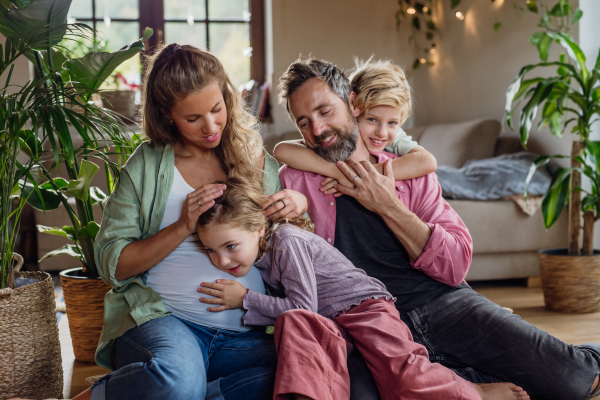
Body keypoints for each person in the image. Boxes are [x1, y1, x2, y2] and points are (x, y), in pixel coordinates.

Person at [275, 57, 600, 400]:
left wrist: (387, 204)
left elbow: (456, 263)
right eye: (304, 122)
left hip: (441, 303)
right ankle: (464, 378)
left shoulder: (410, 170)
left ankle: (463, 372)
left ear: (353, 103)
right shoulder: (296, 177)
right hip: (369, 326)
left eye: (325, 111)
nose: (317, 130)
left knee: (576, 380)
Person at [70, 44, 308, 400]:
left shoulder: (253, 157)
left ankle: (187, 392)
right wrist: (182, 225)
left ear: (228, 96)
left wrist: (295, 205)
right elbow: (112, 264)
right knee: (177, 379)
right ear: (167, 115)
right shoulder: (147, 166)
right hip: (163, 323)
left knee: (317, 367)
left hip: (247, 335)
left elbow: (293, 239)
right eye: (193, 118)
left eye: (216, 109)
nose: (210, 127)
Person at [194, 178, 530, 400]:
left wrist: (245, 300)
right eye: (210, 251)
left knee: (403, 379)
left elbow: (303, 306)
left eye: (230, 246)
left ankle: (474, 391)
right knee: (296, 330)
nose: (221, 260)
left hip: (364, 307)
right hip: (333, 323)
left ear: (258, 228)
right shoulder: (259, 255)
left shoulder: (285, 241)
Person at [272, 58, 436, 196]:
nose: (382, 132)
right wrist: (340, 173)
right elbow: (281, 150)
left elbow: (427, 161)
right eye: (371, 119)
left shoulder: (394, 138)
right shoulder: (329, 139)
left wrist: (361, 175)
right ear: (356, 108)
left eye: (392, 122)